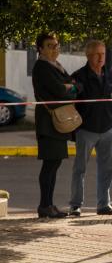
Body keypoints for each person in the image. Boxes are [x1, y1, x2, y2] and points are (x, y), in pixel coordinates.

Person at [69, 40, 112, 216]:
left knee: (107, 169)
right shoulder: (79, 76)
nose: (101, 58)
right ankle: (75, 205)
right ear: (88, 56)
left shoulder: (111, 76)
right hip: (86, 130)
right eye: (97, 54)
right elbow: (70, 101)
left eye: (103, 54)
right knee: (80, 169)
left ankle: (103, 205)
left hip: (108, 129)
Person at [32, 33, 76, 218]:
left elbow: (74, 85)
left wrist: (68, 87)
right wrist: (68, 87)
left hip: (57, 121)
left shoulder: (56, 66)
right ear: (40, 49)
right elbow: (60, 90)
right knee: (49, 164)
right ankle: (44, 205)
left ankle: (49, 204)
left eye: (56, 45)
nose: (54, 49)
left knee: (55, 163)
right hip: (48, 122)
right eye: (49, 46)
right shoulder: (42, 67)